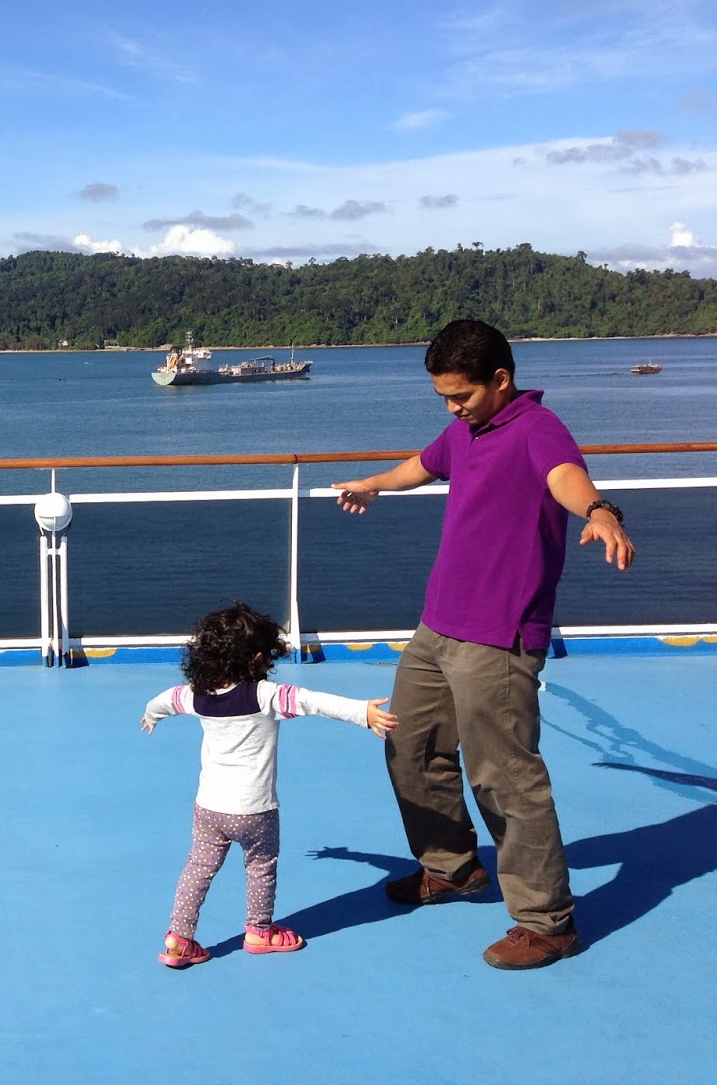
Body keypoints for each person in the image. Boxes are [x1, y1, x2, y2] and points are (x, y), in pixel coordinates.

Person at [331, 319, 634, 971]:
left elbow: (567, 477)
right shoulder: (464, 429)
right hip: (437, 626)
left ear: (500, 379)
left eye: (460, 395)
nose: (452, 408)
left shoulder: (536, 428)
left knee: (504, 776)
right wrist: (373, 484)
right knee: (410, 746)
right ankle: (452, 868)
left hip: (499, 635)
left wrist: (601, 512)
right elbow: (422, 465)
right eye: (443, 397)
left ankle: (548, 922)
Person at [140, 602, 396, 969]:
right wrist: (362, 713)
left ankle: (178, 938)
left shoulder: (195, 695)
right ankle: (259, 932)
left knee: (197, 870)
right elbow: (314, 702)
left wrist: (151, 716)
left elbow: (163, 701)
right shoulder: (265, 695)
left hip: (209, 807)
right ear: (259, 657)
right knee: (260, 866)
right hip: (255, 810)